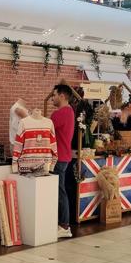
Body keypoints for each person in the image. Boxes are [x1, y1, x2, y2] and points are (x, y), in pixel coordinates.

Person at [50, 81, 75, 238]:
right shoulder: (70, 111)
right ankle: (62, 224)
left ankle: (64, 226)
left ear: (62, 95)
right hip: (64, 156)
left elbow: (45, 128)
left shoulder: (60, 113)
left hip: (58, 157)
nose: (52, 98)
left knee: (59, 192)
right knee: (60, 191)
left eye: (54, 95)